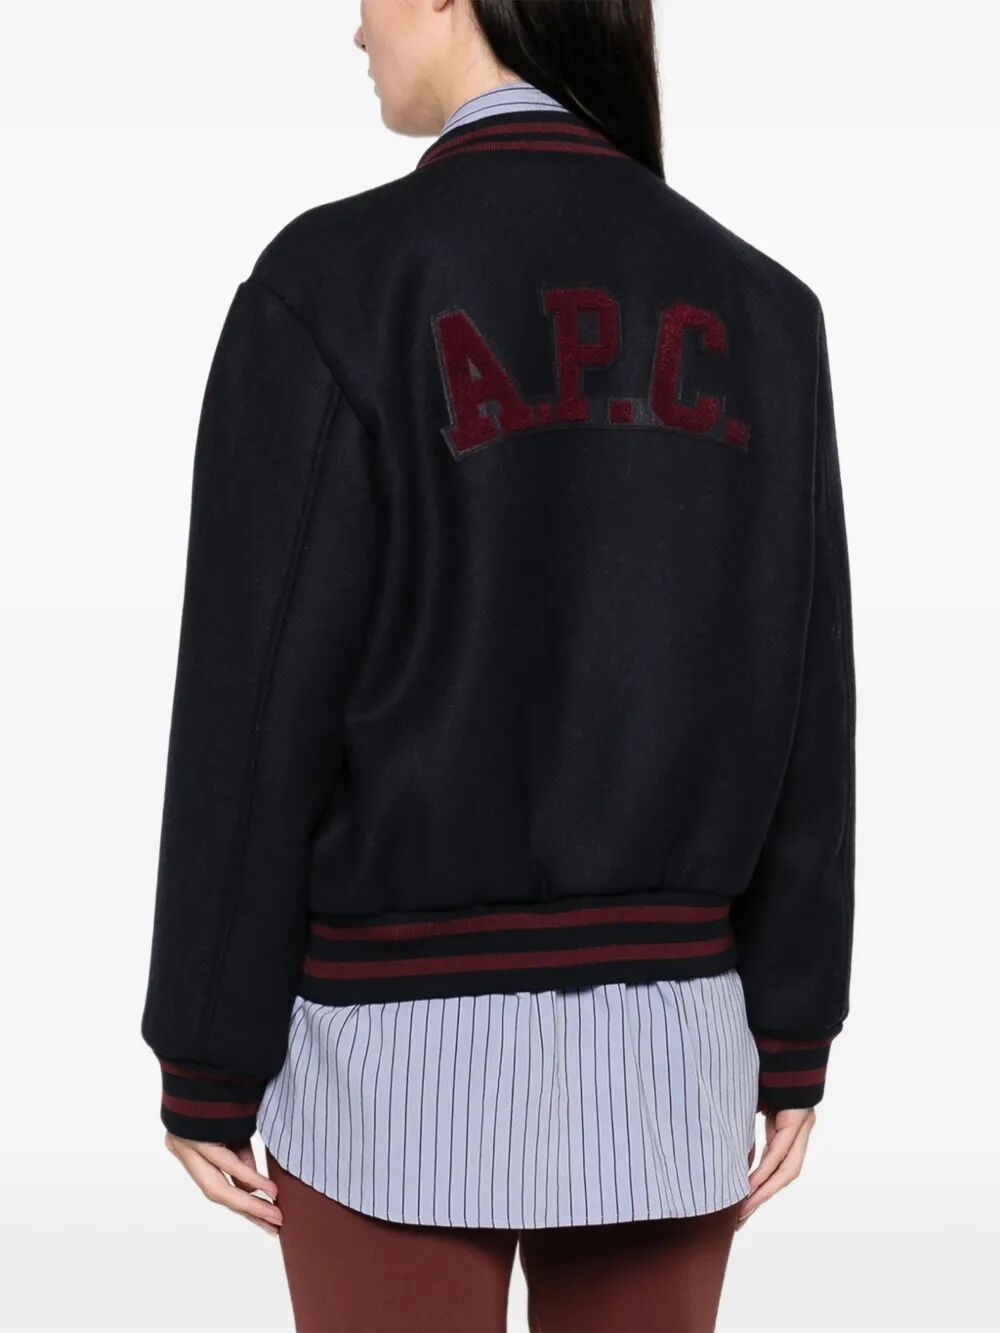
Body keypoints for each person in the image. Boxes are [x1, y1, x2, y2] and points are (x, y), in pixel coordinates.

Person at [140, 2, 856, 1329]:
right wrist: (796, 1023)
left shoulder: (331, 284)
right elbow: (807, 689)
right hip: (673, 1051)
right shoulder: (763, 308)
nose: (354, 28)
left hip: (385, 1052)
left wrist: (206, 1050)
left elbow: (254, 696)